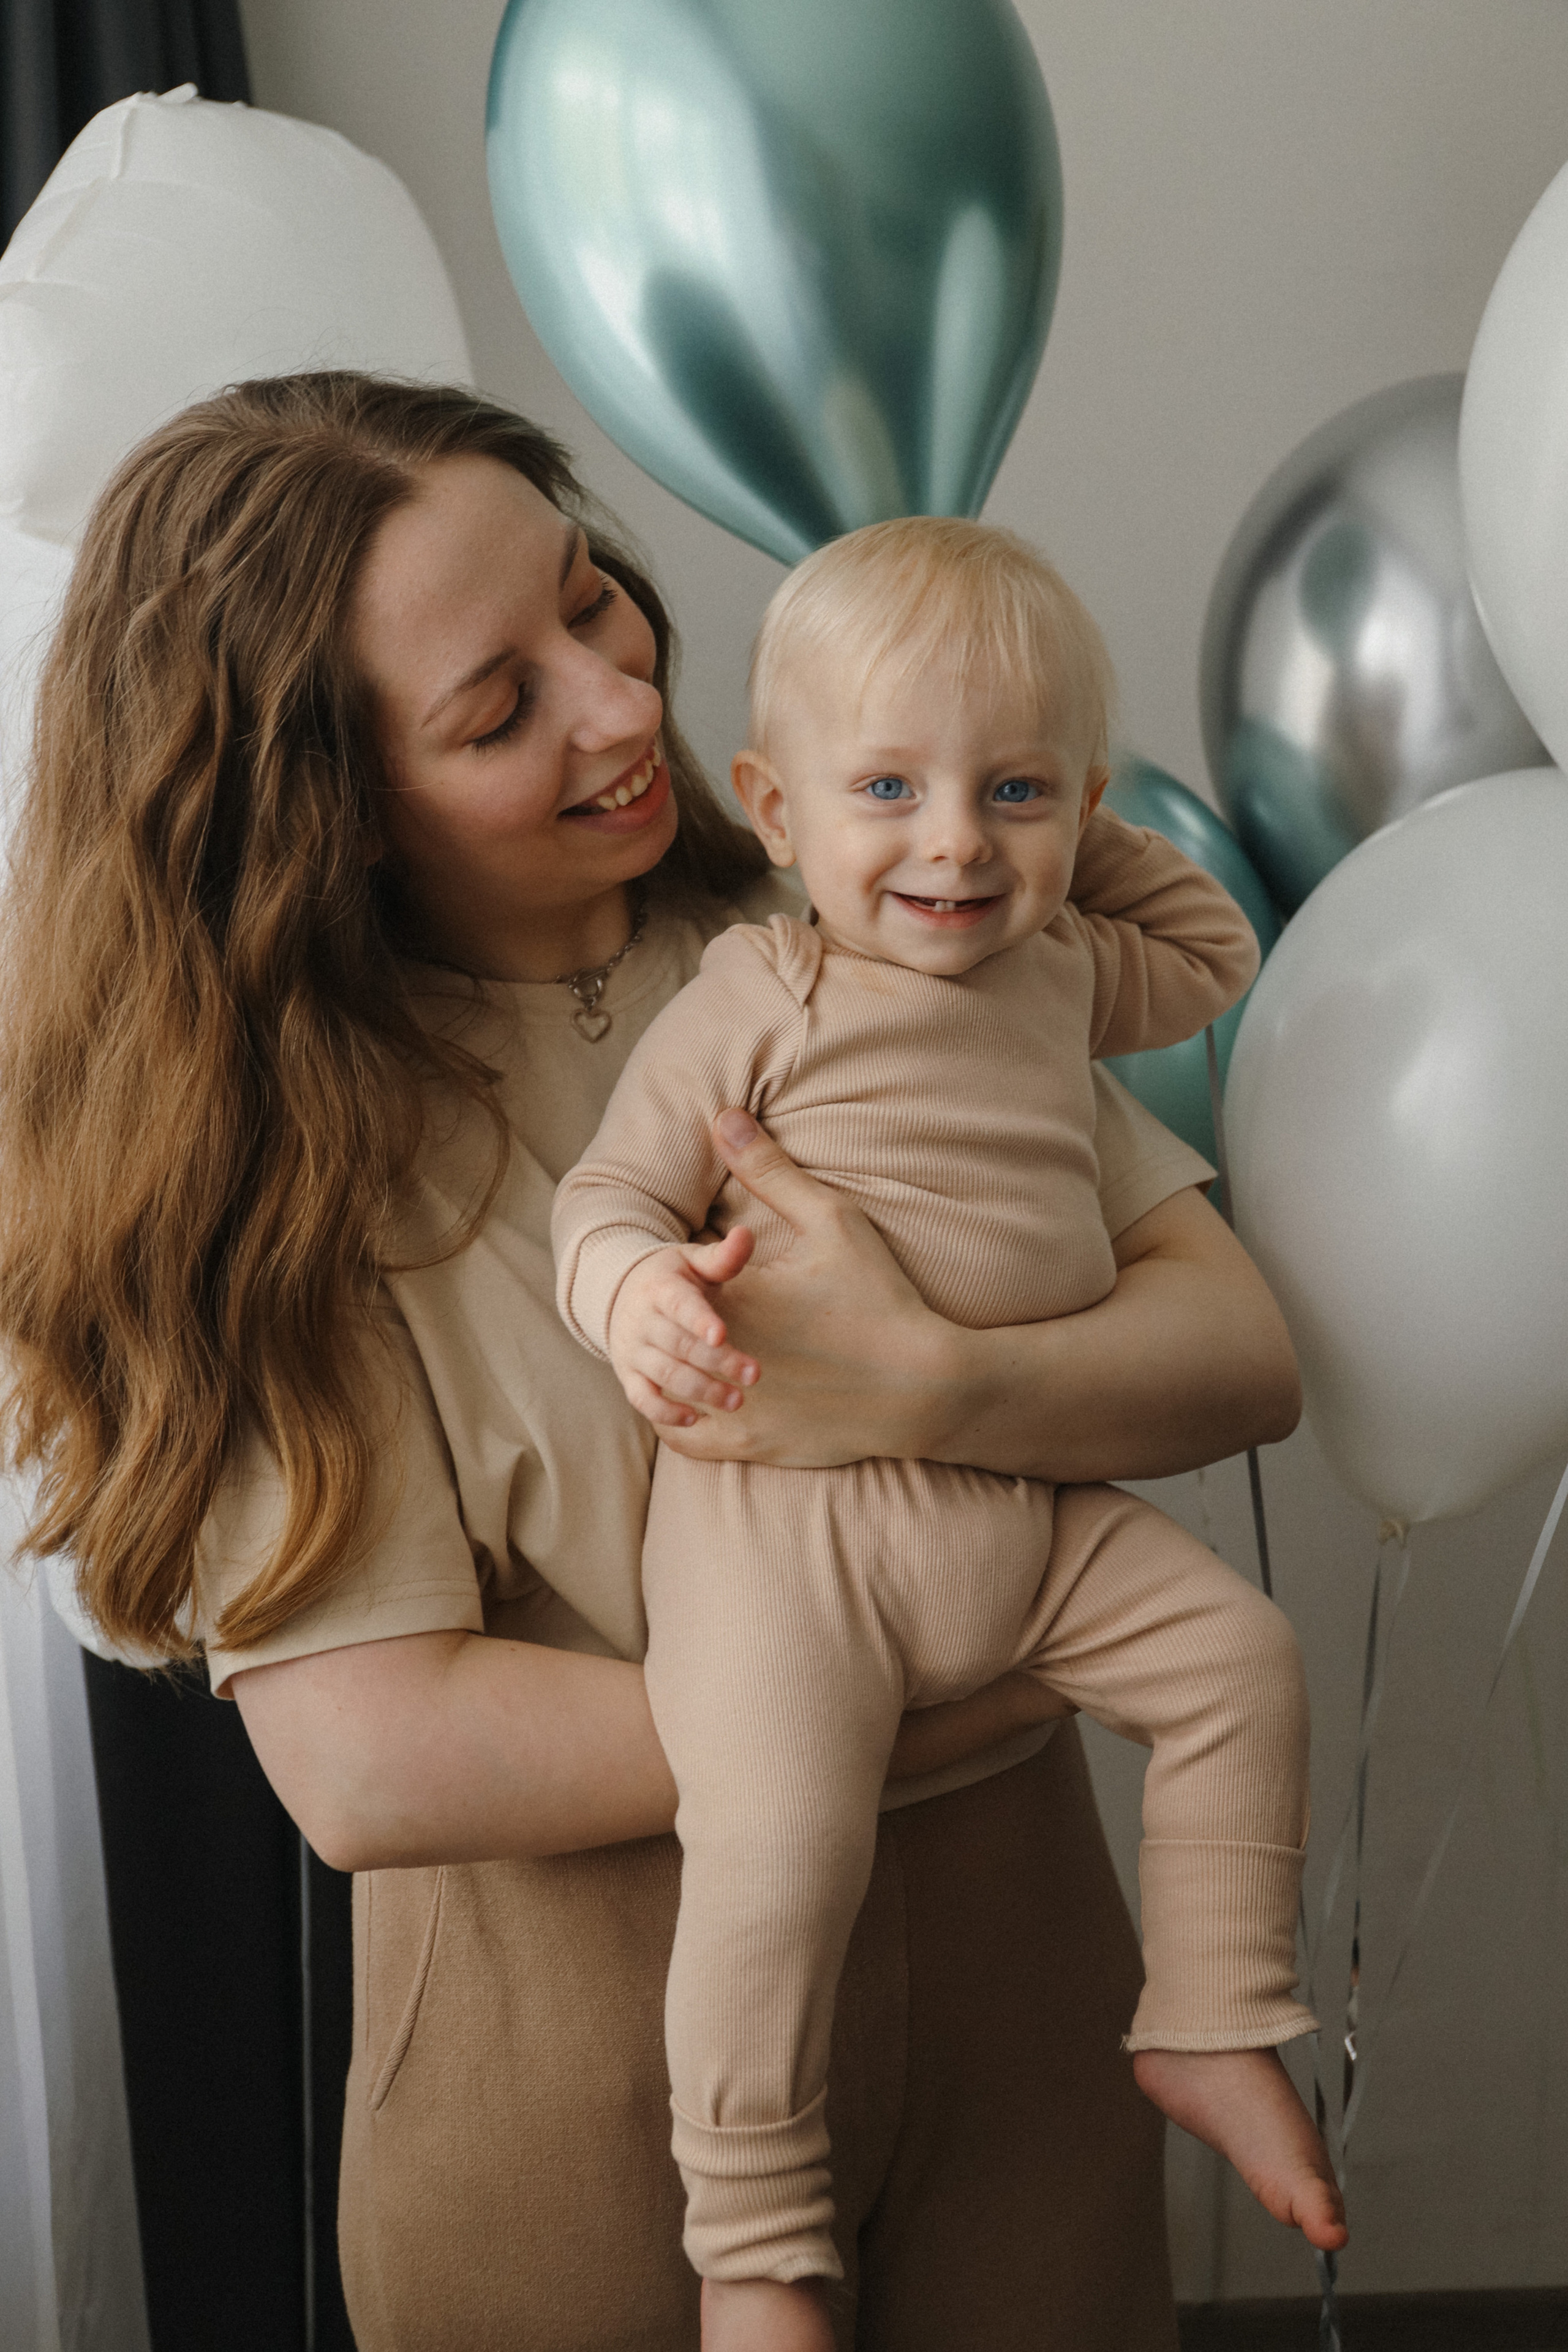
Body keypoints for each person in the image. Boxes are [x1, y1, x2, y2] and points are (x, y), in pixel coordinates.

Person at [0, 371, 1305, 2352]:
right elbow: (374, 1760)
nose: (620, 703)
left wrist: (925, 1390)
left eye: (589, 596)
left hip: (1034, 2020)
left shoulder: (855, 934)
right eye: (497, 704)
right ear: (327, 801)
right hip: (579, 2105)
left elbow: (1230, 1348)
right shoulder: (286, 1165)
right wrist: (933, 1669)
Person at [553, 519, 1344, 2348]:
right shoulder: (751, 994)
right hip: (789, 1537)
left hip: (1022, 1504)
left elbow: (1214, 944)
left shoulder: (1061, 962)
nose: (954, 845)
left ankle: (1213, 2016)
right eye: (890, 788)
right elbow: (603, 1196)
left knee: (1243, 1661)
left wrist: (1065, 790)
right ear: (770, 804)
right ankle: (751, 2243)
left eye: (1010, 793)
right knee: (778, 1854)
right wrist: (634, 1302)